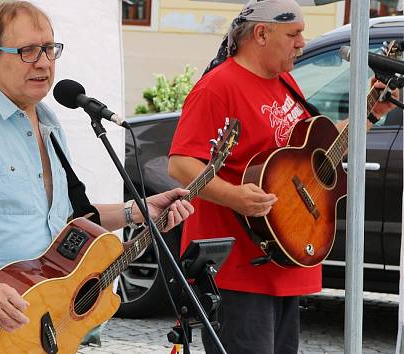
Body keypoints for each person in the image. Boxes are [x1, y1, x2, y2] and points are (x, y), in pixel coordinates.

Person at [0, 2, 195, 354]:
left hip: (31, 328)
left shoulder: (48, 122)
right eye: (27, 51)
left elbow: (57, 218)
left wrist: (137, 211)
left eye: (49, 49)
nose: (44, 62)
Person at [167, 1, 399, 353]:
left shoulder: (286, 82)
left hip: (285, 259)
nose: (302, 42)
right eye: (293, 33)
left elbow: (317, 154)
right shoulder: (219, 86)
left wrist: (370, 110)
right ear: (261, 33)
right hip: (239, 268)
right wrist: (234, 196)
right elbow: (181, 163)